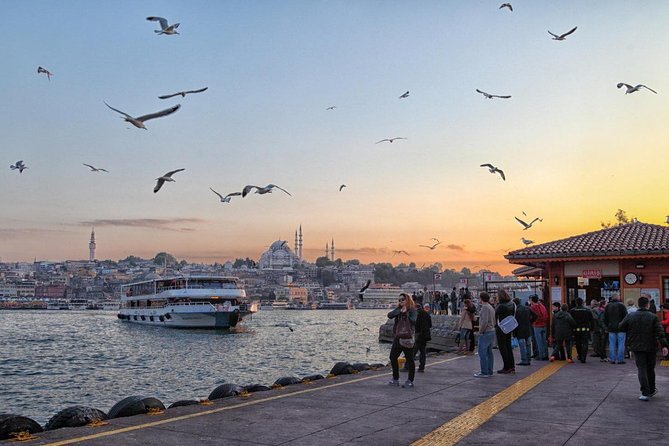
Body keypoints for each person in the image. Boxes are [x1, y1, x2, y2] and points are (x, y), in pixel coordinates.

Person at [618, 295, 669, 401]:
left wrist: (631, 330)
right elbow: (660, 332)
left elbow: (621, 326)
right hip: (651, 345)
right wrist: (664, 345)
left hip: (636, 345)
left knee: (641, 368)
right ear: (648, 305)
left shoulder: (631, 316)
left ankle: (645, 392)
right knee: (650, 368)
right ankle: (651, 389)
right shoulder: (653, 316)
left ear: (638, 304)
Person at [387, 293, 417, 388]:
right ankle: (395, 379)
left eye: (403, 299)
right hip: (398, 337)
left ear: (407, 299)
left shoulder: (412, 310)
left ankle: (410, 380)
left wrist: (405, 314)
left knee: (410, 360)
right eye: (399, 300)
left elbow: (413, 321)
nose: (401, 301)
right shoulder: (398, 309)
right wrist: (400, 311)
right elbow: (390, 315)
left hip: (407, 338)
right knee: (392, 357)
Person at [474, 292, 496, 378]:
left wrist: (480, 331)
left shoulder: (485, 308)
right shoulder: (491, 307)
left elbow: (484, 321)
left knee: (482, 352)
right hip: (492, 331)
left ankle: (484, 371)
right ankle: (489, 370)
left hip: (486, 332)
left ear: (481, 299)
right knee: (489, 352)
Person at [495, 289, 516, 374]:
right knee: (508, 346)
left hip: (501, 328)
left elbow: (495, 317)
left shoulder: (500, 306)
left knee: (502, 348)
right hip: (509, 327)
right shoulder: (512, 304)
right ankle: (512, 366)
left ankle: (506, 367)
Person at [603, 293, 628, 364]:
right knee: (621, 344)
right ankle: (620, 359)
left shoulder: (608, 306)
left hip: (611, 328)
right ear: (617, 298)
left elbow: (605, 318)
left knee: (612, 344)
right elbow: (626, 317)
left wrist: (606, 327)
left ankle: (612, 359)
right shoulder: (622, 305)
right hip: (621, 328)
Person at [569, 297, 594, 363]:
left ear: (576, 303)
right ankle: (583, 357)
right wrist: (592, 328)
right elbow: (591, 320)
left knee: (578, 343)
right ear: (582, 302)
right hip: (585, 329)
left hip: (576, 329)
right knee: (585, 343)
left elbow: (570, 320)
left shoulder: (572, 310)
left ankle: (579, 355)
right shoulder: (587, 310)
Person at [513, 297, 532, 366]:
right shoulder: (527, 308)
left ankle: (524, 360)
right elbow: (535, 315)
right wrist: (530, 322)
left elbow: (514, 322)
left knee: (522, 345)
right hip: (527, 328)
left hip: (519, 330)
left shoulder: (515, 311)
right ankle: (528, 358)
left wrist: (514, 333)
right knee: (528, 344)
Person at [529, 295, 549, 360]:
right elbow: (546, 315)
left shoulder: (532, 307)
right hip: (544, 325)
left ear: (532, 300)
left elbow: (531, 317)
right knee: (544, 341)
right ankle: (546, 355)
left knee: (539, 342)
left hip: (537, 326)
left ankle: (541, 355)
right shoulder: (542, 306)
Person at [414, 303, 432, 372]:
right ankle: (421, 367)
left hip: (419, 334)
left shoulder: (416, 314)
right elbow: (430, 325)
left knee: (414, 351)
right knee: (423, 351)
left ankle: (408, 366)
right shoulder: (427, 314)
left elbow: (415, 324)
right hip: (425, 335)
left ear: (416, 308)